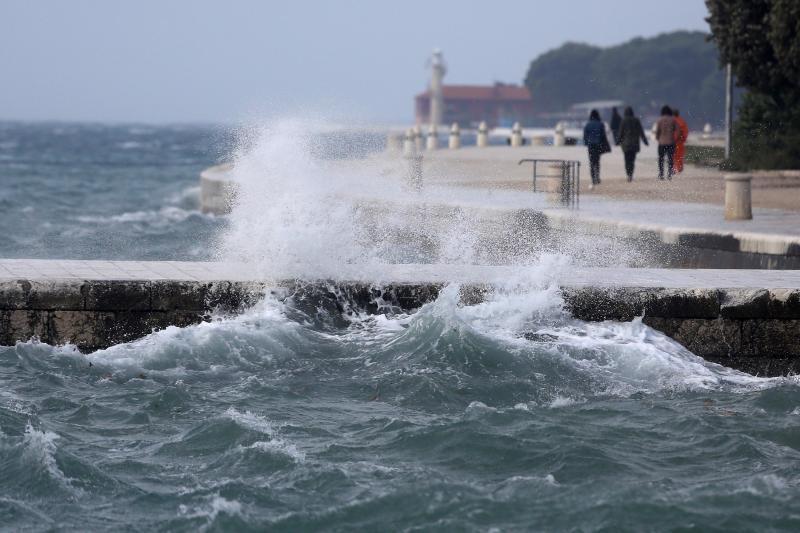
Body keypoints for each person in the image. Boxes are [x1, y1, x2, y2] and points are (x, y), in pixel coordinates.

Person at [616, 106, 649, 181]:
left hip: (626, 144)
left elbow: (620, 133)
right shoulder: (636, 120)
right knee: (632, 160)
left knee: (627, 160)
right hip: (634, 144)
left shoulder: (623, 121)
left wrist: (617, 142)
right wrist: (645, 141)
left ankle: (628, 174)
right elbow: (641, 132)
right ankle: (631, 173)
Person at [583, 109, 611, 188]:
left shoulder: (588, 124)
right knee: (597, 162)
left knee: (591, 162)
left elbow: (585, 135)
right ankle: (597, 177)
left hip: (590, 145)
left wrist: (586, 143)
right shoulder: (601, 124)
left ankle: (593, 179)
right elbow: (603, 135)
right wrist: (604, 144)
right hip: (598, 145)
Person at [654, 105, 678, 180]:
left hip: (662, 142)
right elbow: (678, 130)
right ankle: (669, 173)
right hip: (670, 142)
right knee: (670, 159)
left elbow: (657, 131)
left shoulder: (659, 120)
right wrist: (675, 138)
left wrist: (658, 138)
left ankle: (661, 174)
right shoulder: (673, 120)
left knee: (661, 159)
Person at [672, 108, 689, 174]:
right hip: (680, 141)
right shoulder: (682, 121)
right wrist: (683, 139)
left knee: (672, 155)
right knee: (679, 155)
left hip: (672, 141)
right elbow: (685, 131)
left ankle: (673, 168)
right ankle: (679, 168)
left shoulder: (671, 120)